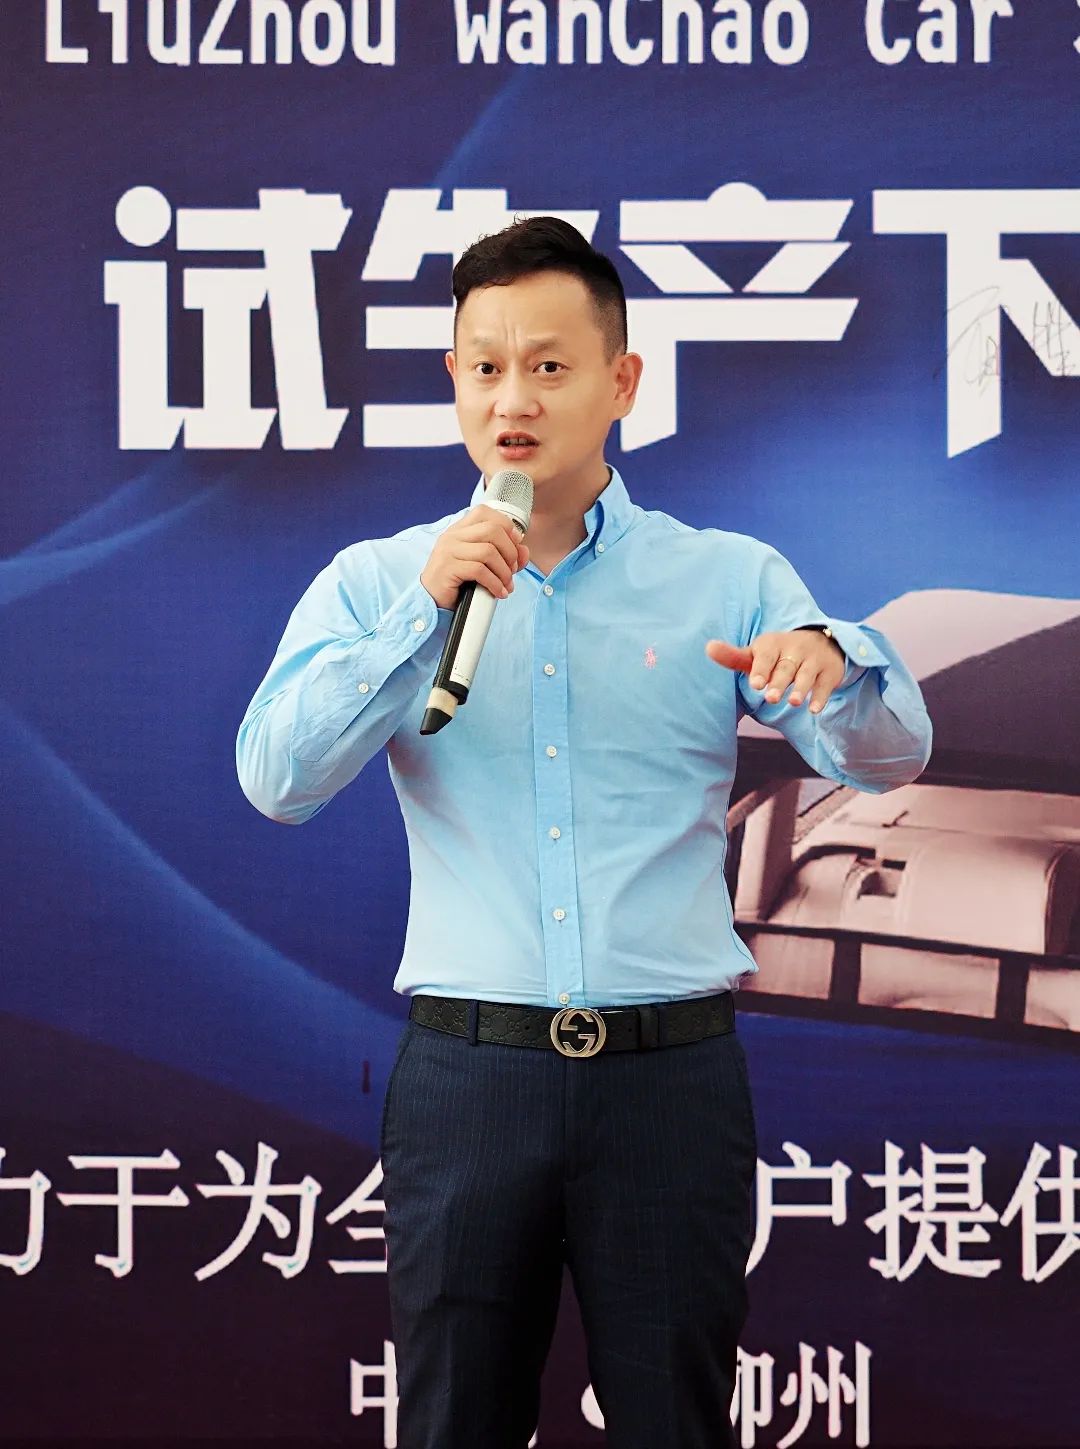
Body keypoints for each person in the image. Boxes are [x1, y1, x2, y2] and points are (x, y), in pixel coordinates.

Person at [236, 217, 932, 1449]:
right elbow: (276, 782)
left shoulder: (726, 577)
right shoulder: (381, 581)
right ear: (454, 381)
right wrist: (420, 614)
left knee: (674, 1421)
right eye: (486, 367)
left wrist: (835, 662)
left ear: (622, 382)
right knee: (453, 1420)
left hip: (668, 1082)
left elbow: (891, 756)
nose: (514, 398)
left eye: (550, 366)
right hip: (471, 1079)